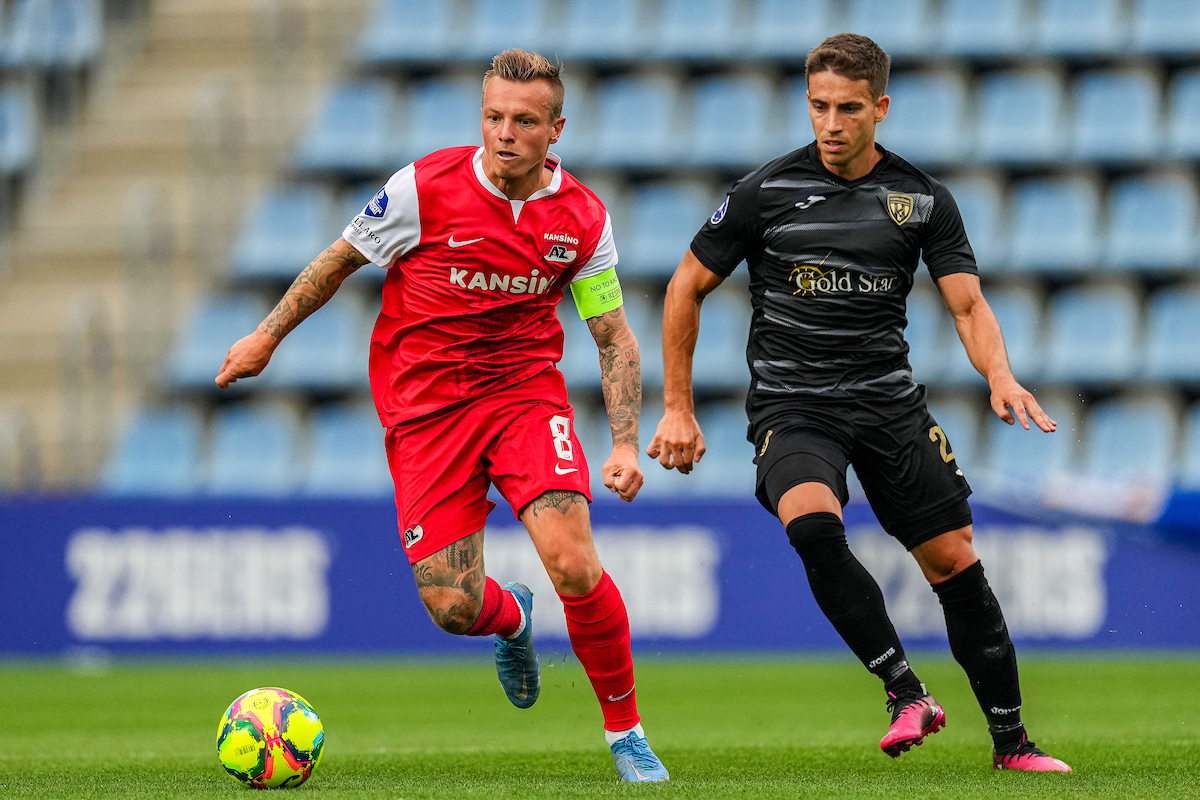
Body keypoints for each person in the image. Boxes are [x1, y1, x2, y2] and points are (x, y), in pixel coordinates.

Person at [216, 49, 668, 783]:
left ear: (557, 129)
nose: (504, 133)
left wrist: (623, 443)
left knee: (574, 562)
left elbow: (612, 334)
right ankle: (513, 620)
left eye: (524, 121)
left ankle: (626, 734)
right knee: (453, 607)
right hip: (426, 411)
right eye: (493, 117)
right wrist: (266, 336)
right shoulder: (423, 188)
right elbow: (337, 260)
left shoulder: (582, 219)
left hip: (524, 395)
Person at [648, 33, 1071, 773]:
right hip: (795, 403)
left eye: (847, 108)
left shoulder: (921, 199)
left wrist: (1001, 377)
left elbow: (967, 307)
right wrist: (677, 407)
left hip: (887, 403)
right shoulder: (762, 193)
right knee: (813, 525)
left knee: (954, 563)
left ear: (879, 108)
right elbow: (685, 286)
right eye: (818, 106)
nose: (831, 123)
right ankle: (905, 690)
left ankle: (1014, 745)